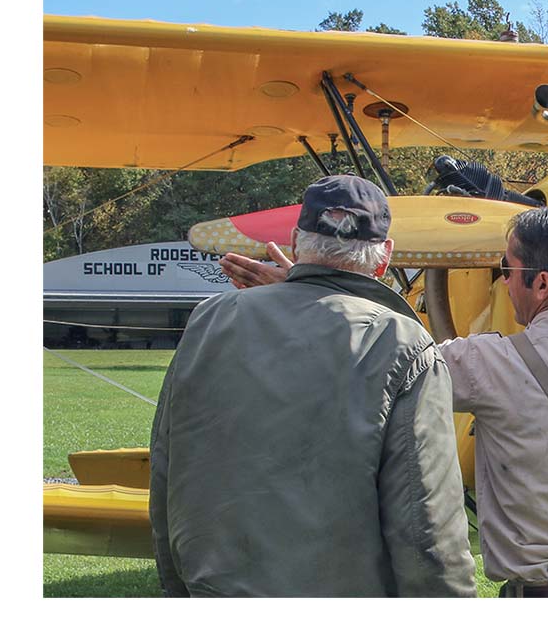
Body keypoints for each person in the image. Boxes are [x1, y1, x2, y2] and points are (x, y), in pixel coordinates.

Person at [221, 204, 548, 598]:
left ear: (542, 283)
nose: (503, 281)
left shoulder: (490, 364)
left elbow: (389, 357)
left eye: (507, 268)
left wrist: (304, 293)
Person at [149, 175, 476, 597]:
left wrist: (177, 589)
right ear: (384, 258)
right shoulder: (403, 343)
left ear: (295, 243)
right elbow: (425, 520)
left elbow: (167, 465)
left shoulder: (209, 319)